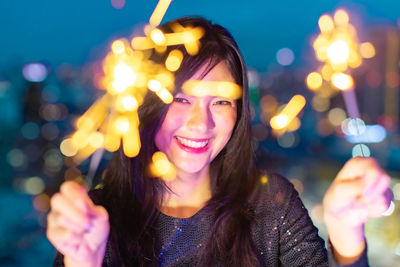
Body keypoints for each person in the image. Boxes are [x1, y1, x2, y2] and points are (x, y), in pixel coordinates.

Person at [47, 17, 392, 267]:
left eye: (221, 101)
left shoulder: (270, 204)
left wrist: (347, 235)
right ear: (147, 105)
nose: (201, 123)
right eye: (181, 99)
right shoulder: (96, 219)